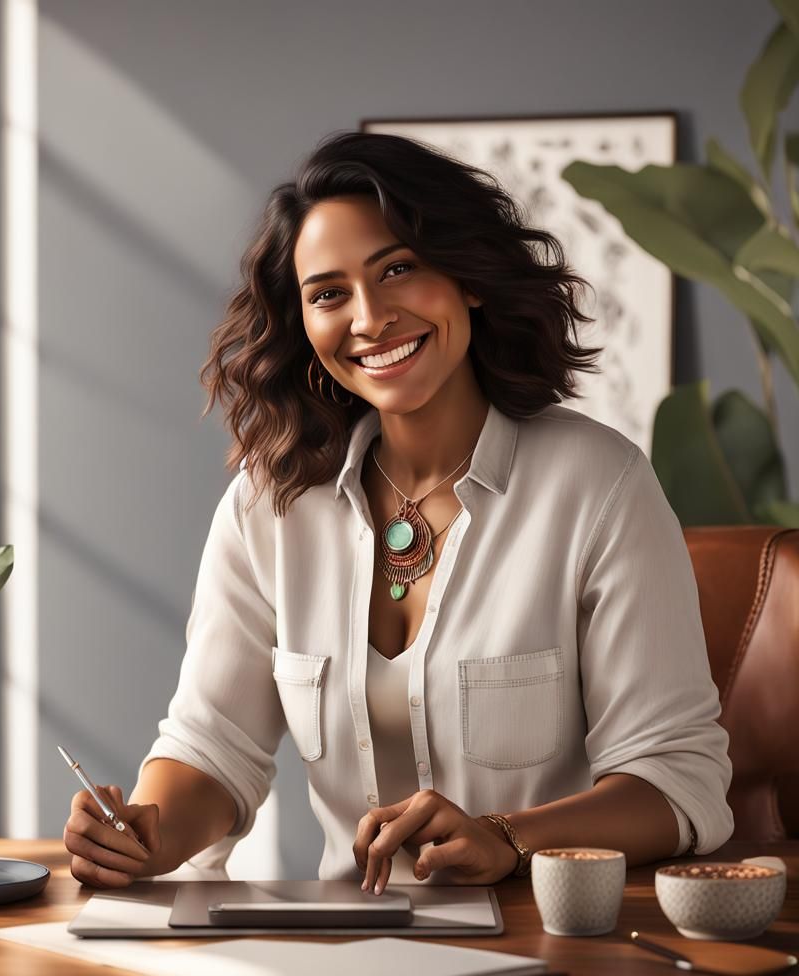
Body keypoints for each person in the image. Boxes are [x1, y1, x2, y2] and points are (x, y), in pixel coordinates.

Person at [63, 130, 734, 894]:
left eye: (399, 270)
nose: (370, 317)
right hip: (344, 952)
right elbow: (213, 745)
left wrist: (507, 838)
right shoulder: (269, 502)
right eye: (328, 294)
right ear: (304, 322)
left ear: (469, 279)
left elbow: (676, 778)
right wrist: (148, 835)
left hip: (546, 946)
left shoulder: (599, 485)